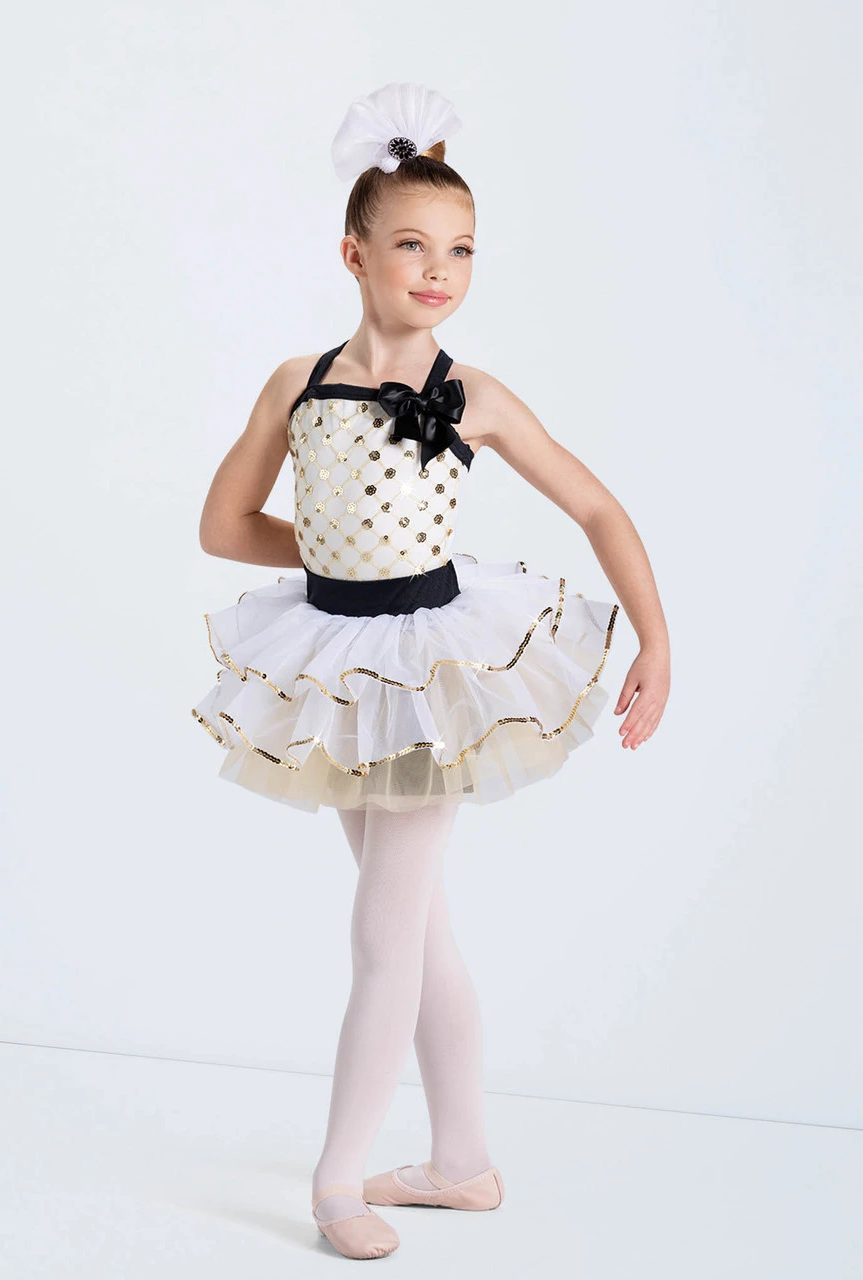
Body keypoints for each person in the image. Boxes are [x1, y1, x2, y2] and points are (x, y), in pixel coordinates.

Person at [191, 81, 670, 1260]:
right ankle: (462, 1162)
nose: (438, 268)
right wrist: (344, 556)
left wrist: (656, 640)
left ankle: (336, 1180)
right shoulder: (297, 383)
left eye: (459, 248)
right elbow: (224, 524)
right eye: (411, 244)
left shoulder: (474, 395)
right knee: (417, 924)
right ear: (353, 253)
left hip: (430, 670)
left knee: (383, 933)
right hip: (339, 661)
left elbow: (597, 506)